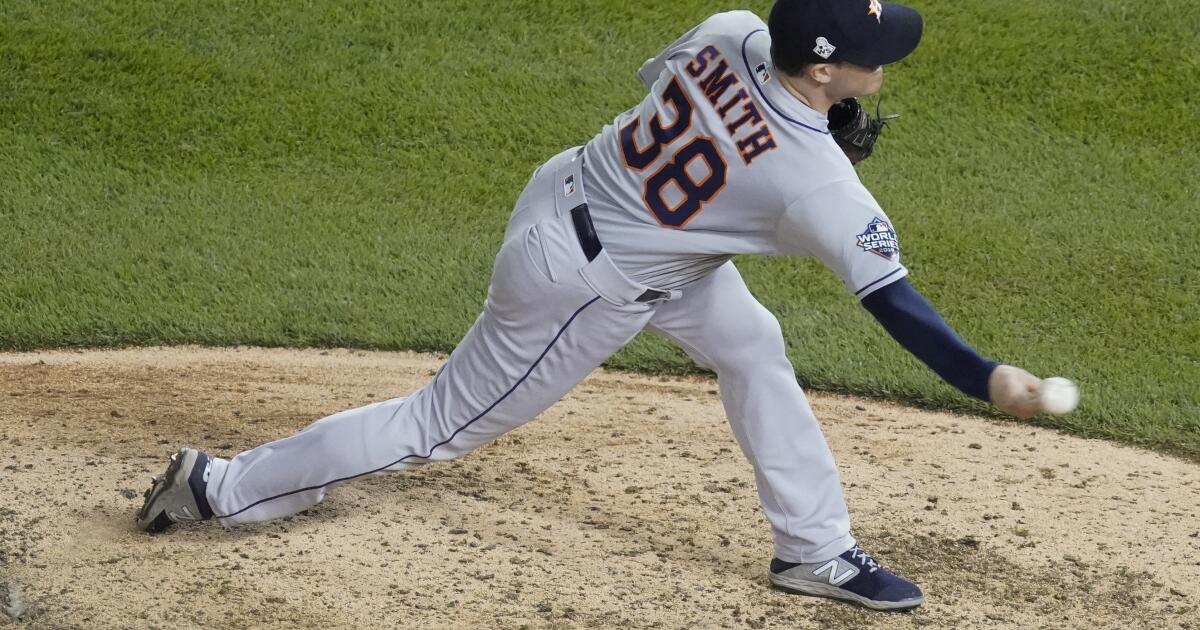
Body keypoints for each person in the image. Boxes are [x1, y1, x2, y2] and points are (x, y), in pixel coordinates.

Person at [137, 0, 1047, 611]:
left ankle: (813, 551)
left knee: (753, 344)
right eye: (869, 54)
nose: (883, 61)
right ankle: (218, 489)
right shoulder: (818, 186)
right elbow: (898, 307)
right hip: (583, 284)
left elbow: (673, 93)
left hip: (581, 192)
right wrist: (985, 377)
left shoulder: (733, 28)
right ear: (819, 74)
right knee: (434, 425)